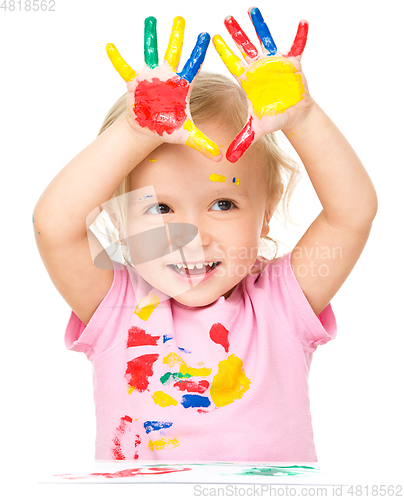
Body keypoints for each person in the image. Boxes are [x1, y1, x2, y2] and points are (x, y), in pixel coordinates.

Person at [33, 10, 377, 462]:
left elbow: (352, 213)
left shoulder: (279, 302)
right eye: (160, 208)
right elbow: (52, 225)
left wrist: (302, 118)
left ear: (266, 213)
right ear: (119, 223)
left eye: (223, 204)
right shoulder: (115, 305)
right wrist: (136, 133)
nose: (191, 237)